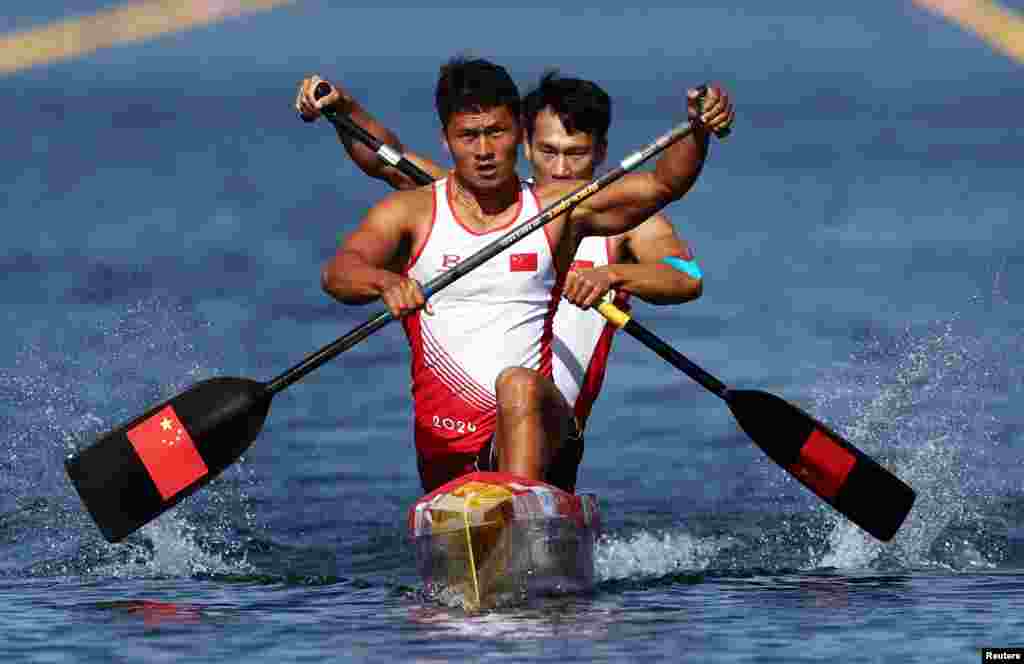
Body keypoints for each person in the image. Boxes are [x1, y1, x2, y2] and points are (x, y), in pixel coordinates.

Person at [304, 57, 733, 494]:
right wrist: (343, 110)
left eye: (576, 153)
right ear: (528, 144)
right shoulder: (425, 206)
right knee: (507, 395)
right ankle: (508, 515)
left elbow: (675, 232)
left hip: (548, 427)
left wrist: (614, 274)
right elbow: (384, 163)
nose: (563, 168)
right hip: (450, 442)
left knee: (519, 385)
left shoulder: (577, 209)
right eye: (549, 152)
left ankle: (523, 520)